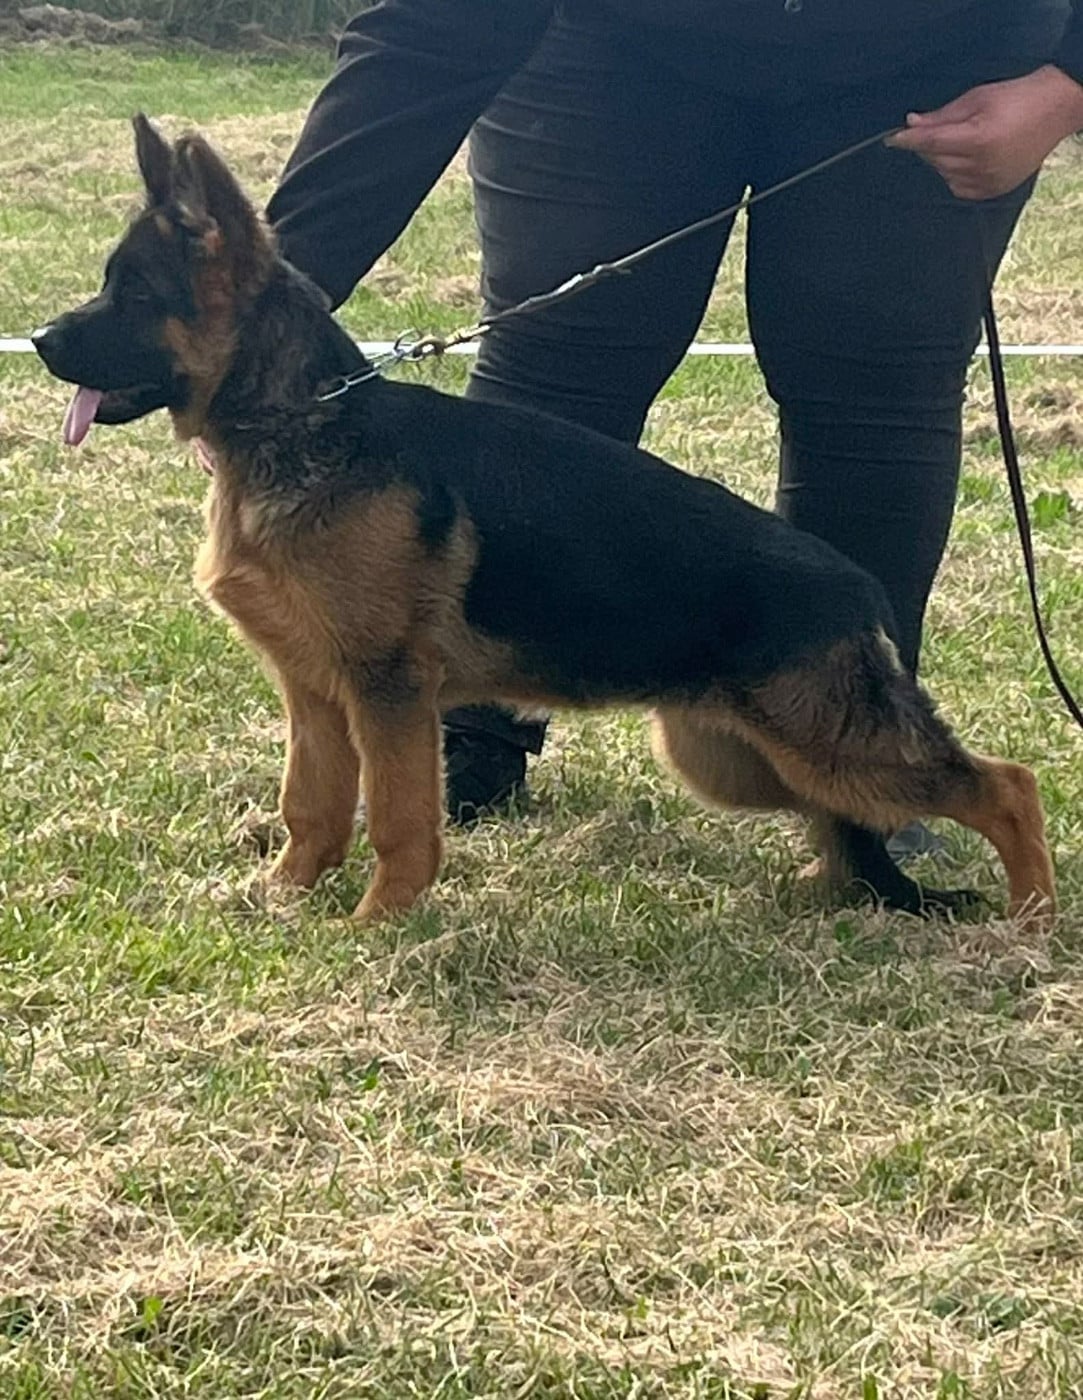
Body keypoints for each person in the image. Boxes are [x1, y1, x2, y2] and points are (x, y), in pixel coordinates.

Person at [267, 0, 1083, 842]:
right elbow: (432, 28)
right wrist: (263, 315)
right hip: (612, 43)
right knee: (556, 365)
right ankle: (469, 747)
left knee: (872, 391)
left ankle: (870, 768)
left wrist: (1066, 82)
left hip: (931, 52)